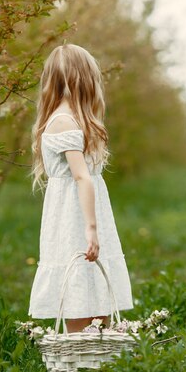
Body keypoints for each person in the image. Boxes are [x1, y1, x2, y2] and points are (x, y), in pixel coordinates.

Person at [29, 44, 133, 332]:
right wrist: (91, 227)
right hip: (73, 215)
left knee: (97, 283)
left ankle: (100, 357)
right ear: (85, 79)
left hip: (84, 209)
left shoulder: (74, 120)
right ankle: (75, 365)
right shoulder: (63, 122)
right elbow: (81, 177)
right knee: (76, 281)